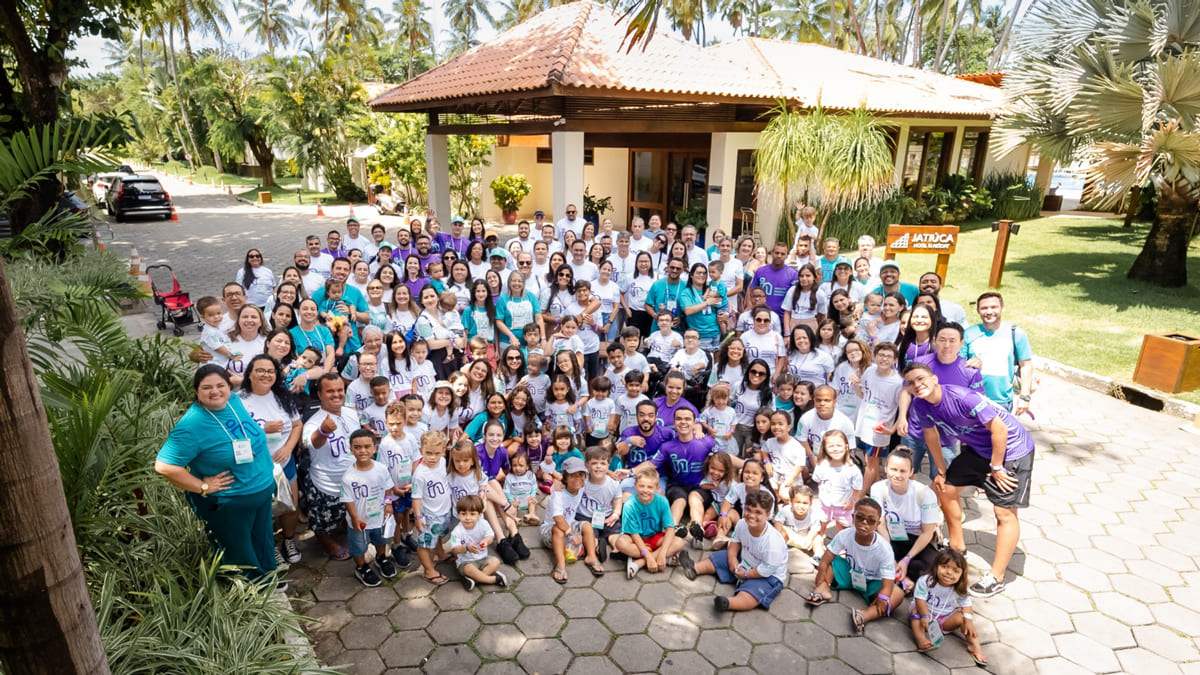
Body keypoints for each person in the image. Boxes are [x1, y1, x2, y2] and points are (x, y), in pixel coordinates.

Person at [903, 362, 1035, 598]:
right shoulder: (921, 405)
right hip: (978, 449)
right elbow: (931, 435)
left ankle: (997, 576)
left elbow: (1000, 430)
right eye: (911, 383)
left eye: (921, 379)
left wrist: (996, 466)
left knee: (1004, 512)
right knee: (946, 489)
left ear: (934, 379)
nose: (917, 385)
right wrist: (941, 471)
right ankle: (957, 546)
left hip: (1012, 450)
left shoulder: (963, 397)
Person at [155, 366, 277, 582]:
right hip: (231, 502)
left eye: (221, 385)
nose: (215, 392)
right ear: (196, 391)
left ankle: (269, 579)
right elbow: (165, 466)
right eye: (207, 387)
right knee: (239, 552)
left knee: (263, 540)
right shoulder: (192, 425)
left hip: (260, 490)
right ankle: (251, 598)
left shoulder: (233, 402)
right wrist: (203, 486)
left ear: (229, 387)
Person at [239, 355, 303, 564]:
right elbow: (232, 437)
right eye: (260, 370)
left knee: (290, 506)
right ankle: (270, 546)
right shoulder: (237, 401)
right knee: (264, 510)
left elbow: (297, 425)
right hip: (255, 465)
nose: (266, 375)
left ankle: (289, 540)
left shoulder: (282, 397)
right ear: (250, 373)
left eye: (271, 371)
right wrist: (261, 430)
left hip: (283, 463)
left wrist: (288, 448)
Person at [809, 497, 905, 636]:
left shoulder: (884, 549)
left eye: (871, 520)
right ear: (853, 517)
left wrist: (884, 599)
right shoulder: (844, 535)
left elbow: (887, 583)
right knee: (833, 562)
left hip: (873, 582)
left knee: (897, 594)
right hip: (850, 573)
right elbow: (825, 560)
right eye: (860, 517)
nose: (864, 523)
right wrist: (819, 582)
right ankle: (824, 589)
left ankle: (864, 615)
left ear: (877, 524)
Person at [680, 490, 787, 612]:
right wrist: (732, 559)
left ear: (768, 515)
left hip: (768, 575)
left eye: (758, 512)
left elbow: (766, 570)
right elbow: (735, 542)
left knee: (753, 592)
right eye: (748, 510)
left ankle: (728, 603)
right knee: (720, 557)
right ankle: (694, 567)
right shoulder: (742, 524)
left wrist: (747, 574)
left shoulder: (773, 543)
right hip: (746, 559)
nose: (751, 515)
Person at [302, 374, 362, 560]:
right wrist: (323, 431)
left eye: (339, 390)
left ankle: (344, 526)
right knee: (323, 519)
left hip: (352, 478)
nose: (336, 394)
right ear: (319, 394)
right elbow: (311, 443)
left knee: (349, 511)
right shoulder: (314, 422)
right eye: (330, 391)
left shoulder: (351, 413)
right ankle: (324, 538)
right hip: (327, 483)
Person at [637, 406, 715, 548]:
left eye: (687, 419)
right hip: (677, 485)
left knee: (694, 498)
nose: (683, 422)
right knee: (679, 500)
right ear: (673, 422)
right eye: (679, 419)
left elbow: (723, 459)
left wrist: (746, 464)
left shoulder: (706, 441)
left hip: (700, 487)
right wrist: (630, 472)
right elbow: (652, 464)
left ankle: (697, 533)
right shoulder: (667, 446)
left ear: (694, 423)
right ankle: (671, 529)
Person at [869, 448, 941, 584]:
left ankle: (900, 575)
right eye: (893, 469)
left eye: (903, 471)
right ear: (885, 468)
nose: (897, 475)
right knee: (873, 555)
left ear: (911, 472)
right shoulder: (878, 488)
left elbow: (927, 533)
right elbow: (880, 524)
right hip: (890, 537)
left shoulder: (925, 494)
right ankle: (903, 578)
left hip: (917, 539)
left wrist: (906, 560)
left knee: (935, 567)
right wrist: (891, 558)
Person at [910, 548, 987, 666]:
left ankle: (975, 646)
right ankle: (921, 640)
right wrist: (925, 616)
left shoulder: (959, 587)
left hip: (944, 618)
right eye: (945, 567)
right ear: (936, 566)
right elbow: (920, 599)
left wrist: (968, 620)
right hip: (924, 614)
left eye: (955, 570)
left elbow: (966, 603)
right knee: (915, 610)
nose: (949, 573)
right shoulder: (925, 580)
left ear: (961, 574)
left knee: (963, 618)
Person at [341, 429, 398, 587]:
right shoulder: (348, 476)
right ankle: (362, 567)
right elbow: (348, 499)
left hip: (379, 516)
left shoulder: (381, 468)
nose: (363, 451)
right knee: (358, 546)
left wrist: (388, 503)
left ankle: (381, 558)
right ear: (351, 449)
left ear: (374, 448)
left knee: (380, 539)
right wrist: (354, 517)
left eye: (367, 446)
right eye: (358, 447)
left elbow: (387, 487)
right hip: (359, 521)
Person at [963, 292, 1033, 415]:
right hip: (972, 398)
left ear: (1002, 308)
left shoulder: (1016, 333)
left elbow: (1026, 366)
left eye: (994, 307)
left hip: (1002, 401)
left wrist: (1025, 397)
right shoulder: (968, 334)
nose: (989, 311)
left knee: (999, 434)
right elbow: (958, 365)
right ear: (978, 310)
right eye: (984, 308)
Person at [615, 468, 689, 578]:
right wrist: (648, 556)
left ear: (657, 488)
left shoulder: (662, 501)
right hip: (634, 538)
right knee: (620, 543)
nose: (645, 490)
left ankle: (639, 563)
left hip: (655, 537)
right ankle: (661, 558)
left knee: (679, 543)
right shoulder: (629, 505)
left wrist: (662, 553)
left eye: (650, 487)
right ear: (635, 486)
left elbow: (670, 529)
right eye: (641, 486)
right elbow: (634, 534)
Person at [577, 447, 623, 575]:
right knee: (591, 534)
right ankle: (596, 550)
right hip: (585, 516)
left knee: (614, 532)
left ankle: (617, 549)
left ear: (608, 465)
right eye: (594, 463)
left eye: (602, 463)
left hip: (607, 515)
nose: (598, 467)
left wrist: (616, 514)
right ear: (587, 465)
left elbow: (617, 500)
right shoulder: (582, 481)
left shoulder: (613, 483)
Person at [543, 456, 588, 584]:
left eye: (581, 475)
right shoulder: (558, 495)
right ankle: (560, 564)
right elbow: (558, 519)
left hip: (570, 526)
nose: (578, 479)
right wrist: (572, 534)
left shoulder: (581, 487)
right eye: (573, 476)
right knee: (558, 529)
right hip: (552, 531)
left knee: (587, 526)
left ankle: (592, 556)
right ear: (566, 477)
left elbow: (596, 474)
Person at [449, 494, 509, 590]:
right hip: (466, 562)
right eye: (463, 514)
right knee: (469, 569)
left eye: (472, 514)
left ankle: (475, 579)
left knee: (495, 562)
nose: (467, 518)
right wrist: (466, 547)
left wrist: (486, 541)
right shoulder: (457, 531)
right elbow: (454, 550)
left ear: (479, 515)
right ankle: (493, 579)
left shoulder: (483, 524)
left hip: (483, 558)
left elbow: (490, 536)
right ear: (458, 514)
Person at [750, 242, 799, 319]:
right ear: (772, 253)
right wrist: (750, 307)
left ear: (787, 256)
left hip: (782, 318)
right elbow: (751, 290)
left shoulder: (793, 274)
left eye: (782, 254)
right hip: (761, 316)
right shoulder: (760, 271)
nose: (779, 256)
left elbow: (796, 297)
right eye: (777, 253)